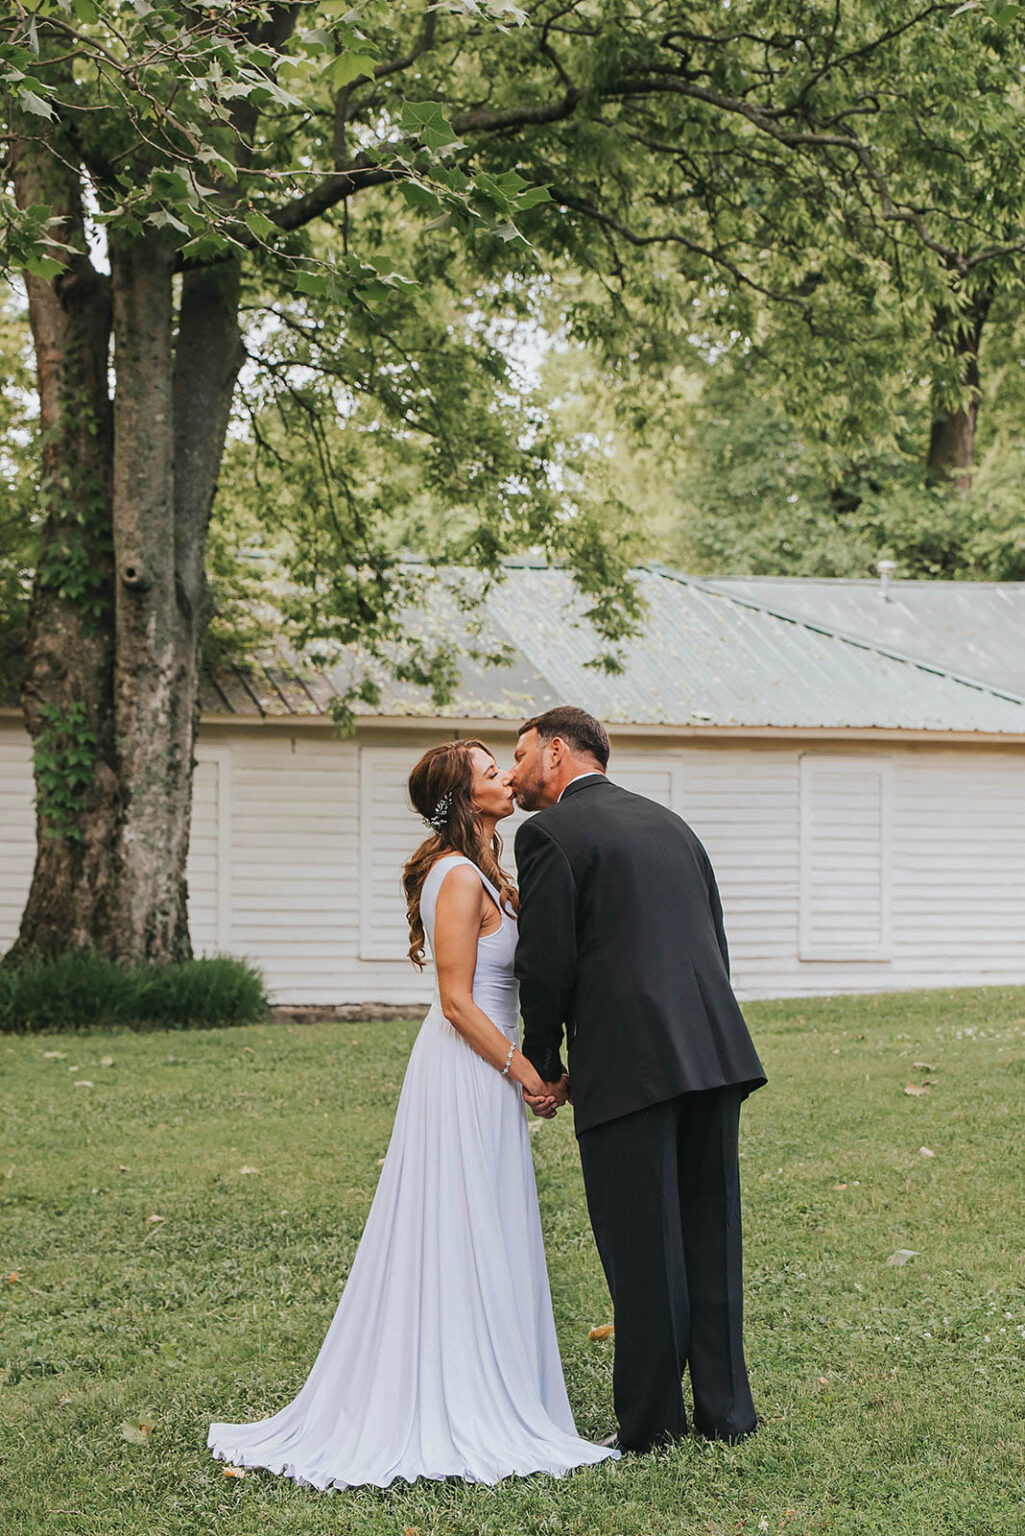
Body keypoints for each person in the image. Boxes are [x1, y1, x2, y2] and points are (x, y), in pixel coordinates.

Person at [208, 738, 617, 1490]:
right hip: (465, 1071)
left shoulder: (485, 871)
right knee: (459, 1222)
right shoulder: (456, 875)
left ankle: (484, 1376)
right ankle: (452, 1394)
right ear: (465, 799)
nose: (508, 777)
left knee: (480, 1221)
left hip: (483, 1070)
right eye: (492, 773)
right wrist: (530, 1073)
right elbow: (457, 1001)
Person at [509, 706, 767, 1454]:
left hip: (629, 1062)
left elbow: (546, 964)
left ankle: (651, 1426)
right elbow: (712, 938)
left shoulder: (547, 833)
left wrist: (547, 1060)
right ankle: (726, 1413)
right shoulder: (669, 823)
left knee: (642, 1243)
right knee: (710, 1232)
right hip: (712, 1053)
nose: (516, 772)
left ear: (557, 754)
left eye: (521, 755)